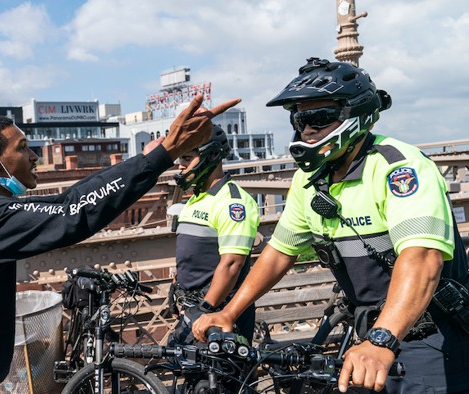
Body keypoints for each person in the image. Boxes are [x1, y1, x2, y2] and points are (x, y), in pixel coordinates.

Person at [0, 93, 241, 393]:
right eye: (22, 148)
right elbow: (72, 212)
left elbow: (68, 200)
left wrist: (144, 159)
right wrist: (163, 155)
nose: (35, 156)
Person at [192, 57, 469, 393]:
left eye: (319, 118)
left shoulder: (399, 168)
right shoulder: (308, 180)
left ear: (356, 115)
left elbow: (422, 257)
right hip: (368, 340)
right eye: (299, 119)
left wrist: (382, 340)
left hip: (428, 339)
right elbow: (280, 251)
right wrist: (229, 312)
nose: (306, 129)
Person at [167, 125, 260, 347]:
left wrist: (205, 308)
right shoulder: (195, 198)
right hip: (193, 308)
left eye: (187, 158)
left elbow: (231, 264)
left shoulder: (233, 202)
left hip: (216, 311)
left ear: (211, 156)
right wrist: (176, 286)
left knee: (220, 380)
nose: (180, 165)